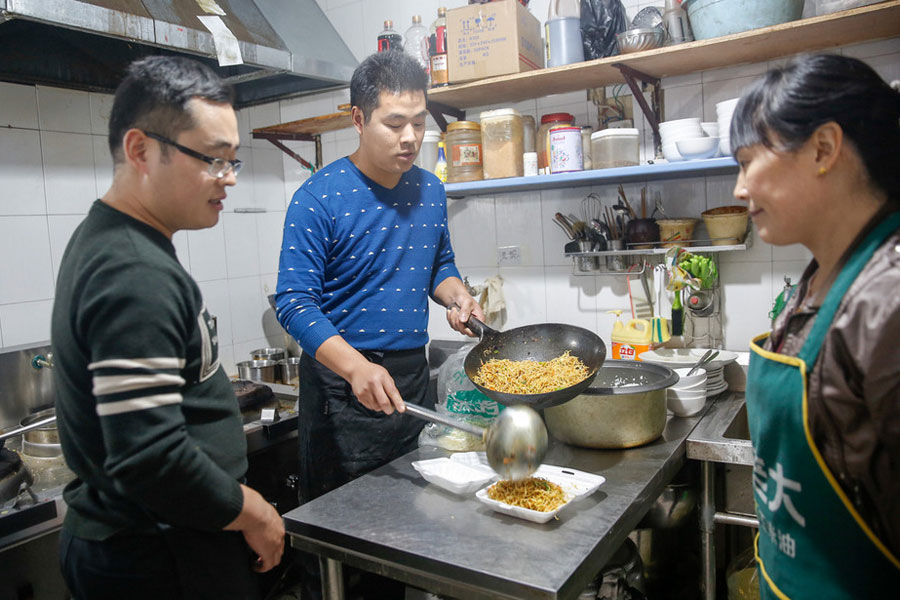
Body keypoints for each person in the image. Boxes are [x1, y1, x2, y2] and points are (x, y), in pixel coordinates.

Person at [51, 56, 284, 599]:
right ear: (140, 150)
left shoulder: (120, 243)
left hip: (164, 540)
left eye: (233, 161)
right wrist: (255, 512)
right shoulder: (133, 270)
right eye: (212, 159)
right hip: (156, 552)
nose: (228, 179)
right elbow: (148, 458)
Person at [275, 50, 482, 597]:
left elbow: (438, 263)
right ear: (359, 119)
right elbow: (295, 303)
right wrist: (355, 368)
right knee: (346, 554)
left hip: (412, 381)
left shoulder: (430, 189)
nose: (410, 137)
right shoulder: (318, 198)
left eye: (419, 121)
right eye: (394, 123)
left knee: (406, 540)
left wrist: (457, 296)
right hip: (344, 391)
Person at [731, 54, 900, 598]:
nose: (738, 189)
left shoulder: (887, 300)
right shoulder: (818, 277)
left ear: (824, 149)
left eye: (747, 161)